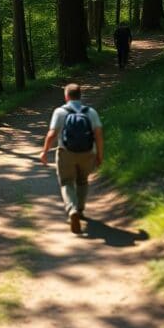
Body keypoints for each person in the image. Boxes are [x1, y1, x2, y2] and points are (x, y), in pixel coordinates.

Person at [39, 83, 104, 234]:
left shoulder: (60, 112)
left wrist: (44, 152)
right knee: (82, 181)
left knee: (67, 183)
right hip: (87, 153)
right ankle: (80, 210)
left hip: (66, 152)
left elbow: (52, 134)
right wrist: (100, 155)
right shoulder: (91, 112)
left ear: (66, 96)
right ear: (80, 96)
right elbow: (99, 135)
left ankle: (72, 210)